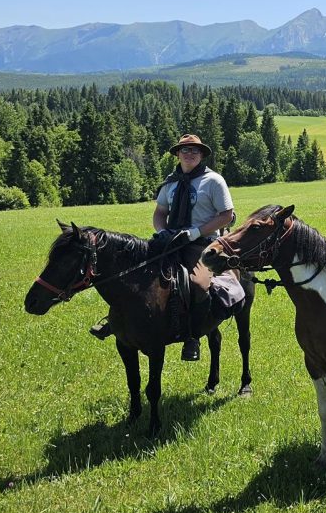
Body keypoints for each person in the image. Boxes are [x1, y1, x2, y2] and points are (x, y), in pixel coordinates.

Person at [90, 133, 234, 362]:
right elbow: (160, 213)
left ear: (202, 155)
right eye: (185, 150)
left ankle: (193, 336)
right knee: (137, 275)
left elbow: (226, 215)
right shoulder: (171, 182)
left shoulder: (214, 181)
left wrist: (195, 232)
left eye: (195, 150)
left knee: (198, 284)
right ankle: (118, 322)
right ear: (177, 154)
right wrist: (162, 231)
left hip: (201, 243)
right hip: (170, 241)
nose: (190, 154)